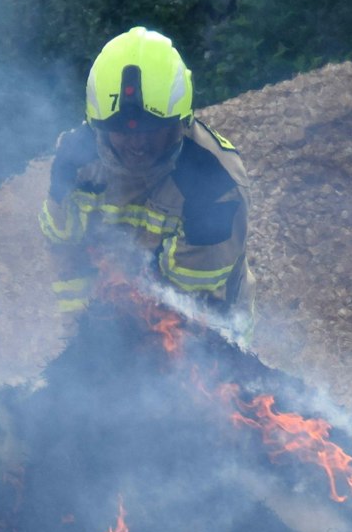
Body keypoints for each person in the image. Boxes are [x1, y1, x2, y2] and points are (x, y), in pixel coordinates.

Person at [39, 26, 253, 330]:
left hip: (203, 342)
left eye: (152, 128)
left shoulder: (215, 183)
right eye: (123, 129)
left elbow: (193, 305)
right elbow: (63, 247)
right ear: (98, 126)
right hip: (106, 324)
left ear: (180, 122)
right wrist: (80, 329)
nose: (138, 142)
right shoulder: (74, 164)